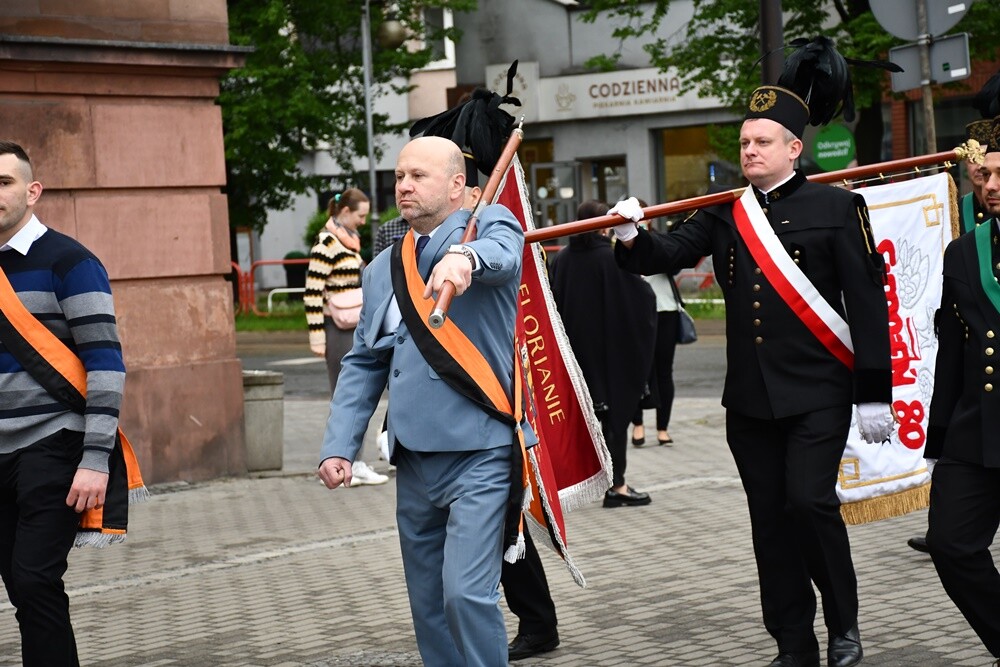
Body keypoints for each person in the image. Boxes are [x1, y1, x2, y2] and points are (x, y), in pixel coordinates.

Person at [612, 73, 893, 665]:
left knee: (810, 504)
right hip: (749, 400)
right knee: (769, 522)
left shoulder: (839, 206)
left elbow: (868, 306)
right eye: (744, 143)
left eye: (762, 142)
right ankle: (794, 642)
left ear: (793, 148)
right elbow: (666, 255)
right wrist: (631, 233)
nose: (749, 152)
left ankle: (845, 625)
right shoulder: (723, 211)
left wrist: (874, 394)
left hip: (817, 392)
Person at [317, 135, 531, 666]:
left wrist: (466, 259)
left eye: (419, 176)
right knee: (428, 605)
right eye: (400, 176)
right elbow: (364, 363)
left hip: (479, 452)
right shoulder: (382, 268)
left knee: (465, 594)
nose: (405, 186)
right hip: (412, 457)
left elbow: (504, 254)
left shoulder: (491, 225)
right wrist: (339, 446)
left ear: (458, 185)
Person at [0, 140, 126, 666]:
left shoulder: (70, 261)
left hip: (52, 446)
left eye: (3, 182)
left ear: (32, 192)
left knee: (33, 581)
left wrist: (95, 461)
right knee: (23, 588)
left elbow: (106, 364)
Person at [923, 118, 1000, 666]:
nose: (991, 185)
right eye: (984, 176)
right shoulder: (962, 251)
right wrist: (939, 438)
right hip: (976, 432)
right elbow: (952, 351)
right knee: (951, 546)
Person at [550, 199, 657, 509]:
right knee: (614, 420)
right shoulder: (612, 259)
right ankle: (617, 485)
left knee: (578, 422)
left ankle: (572, 483)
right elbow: (641, 299)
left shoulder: (564, 260)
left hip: (573, 355)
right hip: (609, 353)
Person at [304, 188, 386, 486]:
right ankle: (351, 460)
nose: (364, 221)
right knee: (349, 393)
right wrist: (317, 338)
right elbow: (312, 293)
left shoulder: (347, 241)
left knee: (356, 390)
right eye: (361, 215)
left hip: (351, 323)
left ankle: (355, 459)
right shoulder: (328, 242)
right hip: (336, 328)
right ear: (345, 212)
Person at [631, 202, 682, 448]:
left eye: (643, 217)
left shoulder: (659, 242)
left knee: (664, 371)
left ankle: (663, 427)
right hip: (635, 315)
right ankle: (638, 425)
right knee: (637, 371)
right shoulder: (620, 246)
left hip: (665, 311)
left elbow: (675, 265)